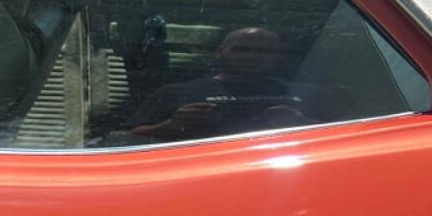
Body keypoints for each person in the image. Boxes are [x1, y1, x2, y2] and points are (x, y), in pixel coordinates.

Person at [127, 26, 331, 142]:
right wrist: (174, 126)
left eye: (264, 52)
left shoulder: (311, 94)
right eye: (242, 50)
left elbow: (358, 137)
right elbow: (126, 140)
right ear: (220, 51)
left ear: (279, 57)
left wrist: (302, 125)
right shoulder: (175, 93)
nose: (253, 57)